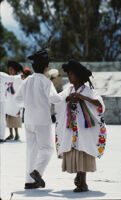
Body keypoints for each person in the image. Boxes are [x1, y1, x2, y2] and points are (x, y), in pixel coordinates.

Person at [55, 59, 107, 192]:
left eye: (71, 74)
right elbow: (59, 101)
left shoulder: (88, 90)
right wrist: (68, 99)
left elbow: (99, 104)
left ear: (78, 76)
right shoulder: (69, 89)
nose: (69, 76)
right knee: (75, 150)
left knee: (82, 151)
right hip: (72, 129)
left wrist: (82, 97)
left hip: (83, 129)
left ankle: (83, 183)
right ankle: (79, 178)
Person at [15, 50, 62, 189]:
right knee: (47, 149)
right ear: (47, 67)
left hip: (28, 120)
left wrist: (29, 103)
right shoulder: (46, 82)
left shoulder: (27, 80)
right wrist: (65, 93)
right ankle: (37, 172)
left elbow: (17, 98)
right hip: (42, 120)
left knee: (31, 150)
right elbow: (55, 99)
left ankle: (29, 182)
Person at [0, 71, 22, 142]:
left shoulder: (2, 75)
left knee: (2, 119)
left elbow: (12, 79)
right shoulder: (2, 75)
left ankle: (1, 137)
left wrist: (18, 77)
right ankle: (1, 137)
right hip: (2, 99)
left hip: (2, 99)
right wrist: (19, 76)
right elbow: (12, 78)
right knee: (2, 118)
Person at [5, 61, 23, 141]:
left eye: (12, 69)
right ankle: (11, 134)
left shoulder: (18, 78)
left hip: (16, 101)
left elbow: (19, 87)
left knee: (15, 117)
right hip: (9, 101)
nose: (10, 71)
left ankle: (17, 134)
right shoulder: (8, 78)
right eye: (9, 69)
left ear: (15, 70)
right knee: (9, 117)